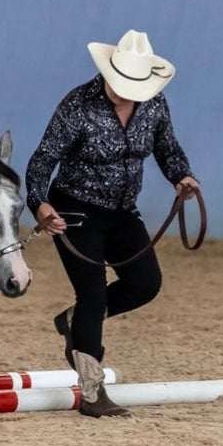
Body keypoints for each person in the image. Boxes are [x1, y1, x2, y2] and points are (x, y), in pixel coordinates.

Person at [26, 29, 200, 419]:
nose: (129, 92)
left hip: (122, 210)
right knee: (94, 295)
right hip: (75, 211)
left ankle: (73, 322)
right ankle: (91, 390)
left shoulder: (154, 103)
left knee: (146, 284)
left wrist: (182, 177)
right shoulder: (77, 105)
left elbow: (166, 147)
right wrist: (41, 205)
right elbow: (42, 160)